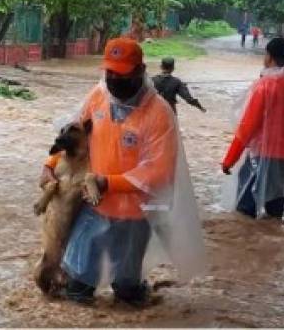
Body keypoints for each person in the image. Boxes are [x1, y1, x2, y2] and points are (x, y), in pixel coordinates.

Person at [40, 38, 204, 305]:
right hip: (93, 208)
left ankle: (135, 289)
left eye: (122, 73)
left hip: (134, 215)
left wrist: (108, 183)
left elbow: (159, 171)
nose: (114, 79)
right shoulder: (98, 96)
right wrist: (50, 166)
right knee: (75, 288)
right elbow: (73, 138)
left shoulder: (159, 114)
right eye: (110, 72)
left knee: (127, 293)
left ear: (140, 71)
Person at [221, 37, 284, 219]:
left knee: (245, 212)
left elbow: (247, 126)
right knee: (275, 214)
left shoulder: (265, 85)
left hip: (260, 158)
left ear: (269, 57)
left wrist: (229, 160)